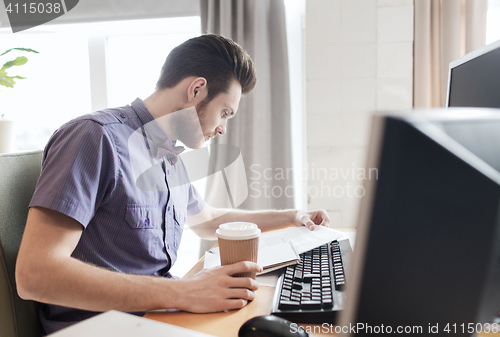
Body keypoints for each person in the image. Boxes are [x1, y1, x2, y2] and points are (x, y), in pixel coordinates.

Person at [15, 34, 330, 334]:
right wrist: (182, 292)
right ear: (196, 90)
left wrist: (292, 217)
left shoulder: (169, 154)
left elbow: (208, 220)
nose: (222, 129)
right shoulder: (95, 137)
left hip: (157, 315)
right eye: (224, 113)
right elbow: (35, 275)